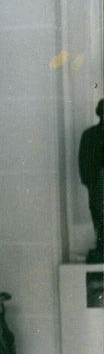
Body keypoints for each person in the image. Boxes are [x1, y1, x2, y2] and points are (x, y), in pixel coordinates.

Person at [78, 98, 104, 262]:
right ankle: (102, 247)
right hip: (97, 187)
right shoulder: (89, 135)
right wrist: (92, 182)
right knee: (99, 217)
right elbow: (83, 162)